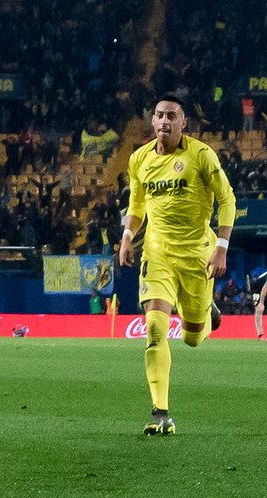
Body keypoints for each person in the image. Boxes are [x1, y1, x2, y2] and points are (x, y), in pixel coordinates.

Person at [118, 93, 236, 435]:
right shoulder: (139, 159)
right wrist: (127, 236)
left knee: (193, 339)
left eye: (172, 115)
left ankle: (207, 306)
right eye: (159, 115)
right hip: (157, 254)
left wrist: (222, 247)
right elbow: (137, 202)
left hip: (199, 254)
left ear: (184, 123)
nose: (165, 121)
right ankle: (161, 413)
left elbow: (227, 200)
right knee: (155, 329)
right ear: (152, 121)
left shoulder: (201, 155)